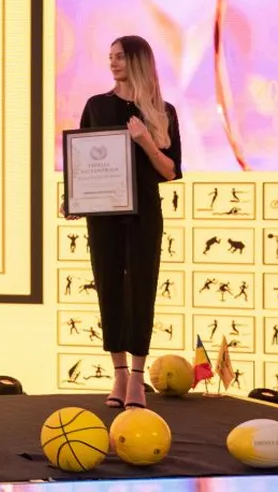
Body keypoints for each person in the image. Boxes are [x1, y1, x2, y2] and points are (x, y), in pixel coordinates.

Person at [75, 35, 181, 410]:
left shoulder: (163, 111)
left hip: (143, 212)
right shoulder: (96, 106)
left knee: (140, 287)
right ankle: (118, 373)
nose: (113, 62)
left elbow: (170, 171)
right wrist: (75, 197)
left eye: (119, 56)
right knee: (108, 287)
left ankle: (137, 377)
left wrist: (145, 140)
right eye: (110, 57)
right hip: (104, 213)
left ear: (138, 60)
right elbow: (83, 160)